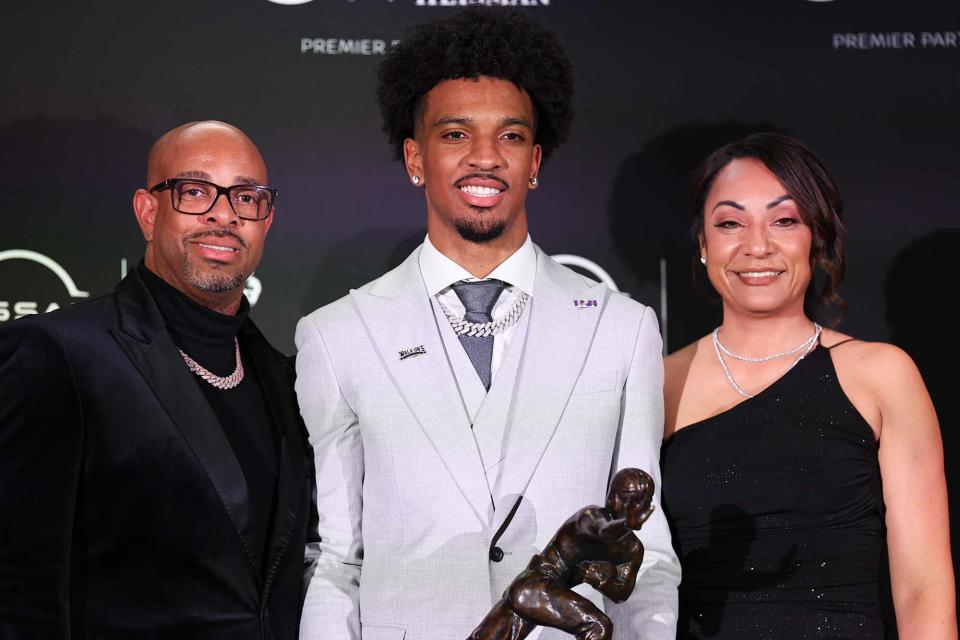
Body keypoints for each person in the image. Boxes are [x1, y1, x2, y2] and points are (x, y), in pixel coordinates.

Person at [295, 7, 679, 639]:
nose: (485, 159)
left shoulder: (621, 328)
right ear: (415, 158)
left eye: (510, 136)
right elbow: (338, 561)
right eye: (455, 135)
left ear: (535, 160)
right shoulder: (338, 335)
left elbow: (647, 551)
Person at [0, 121, 316, 638]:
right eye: (194, 192)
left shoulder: (284, 380)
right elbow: (16, 586)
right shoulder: (59, 355)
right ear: (149, 213)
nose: (224, 214)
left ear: (267, 220)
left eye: (246, 197)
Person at [660, 132, 956, 638]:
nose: (757, 246)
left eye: (784, 220)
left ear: (815, 238)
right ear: (705, 247)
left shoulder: (880, 374)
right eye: (730, 223)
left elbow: (923, 587)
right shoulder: (658, 383)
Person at [469, 468, 655, 640]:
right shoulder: (590, 517)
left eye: (644, 502)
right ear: (612, 497)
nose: (637, 508)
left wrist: (602, 581)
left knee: (487, 636)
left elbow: (621, 592)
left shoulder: (633, 549)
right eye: (629, 499)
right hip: (534, 586)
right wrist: (625, 525)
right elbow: (602, 532)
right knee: (598, 626)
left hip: (535, 595)